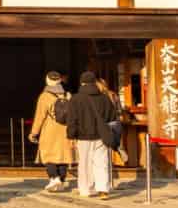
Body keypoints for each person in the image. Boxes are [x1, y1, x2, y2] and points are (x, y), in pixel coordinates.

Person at [64, 70, 121, 199]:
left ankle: (86, 189)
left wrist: (71, 135)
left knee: (84, 163)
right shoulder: (104, 98)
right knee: (101, 162)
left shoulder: (76, 99)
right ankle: (103, 188)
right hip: (101, 135)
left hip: (83, 136)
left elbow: (72, 119)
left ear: (82, 83)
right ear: (94, 82)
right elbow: (112, 117)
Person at [28, 72, 73, 191]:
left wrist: (34, 133)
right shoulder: (68, 95)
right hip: (65, 130)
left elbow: (39, 117)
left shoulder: (45, 96)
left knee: (48, 154)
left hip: (50, 130)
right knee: (63, 156)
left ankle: (54, 178)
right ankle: (61, 181)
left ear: (47, 81)